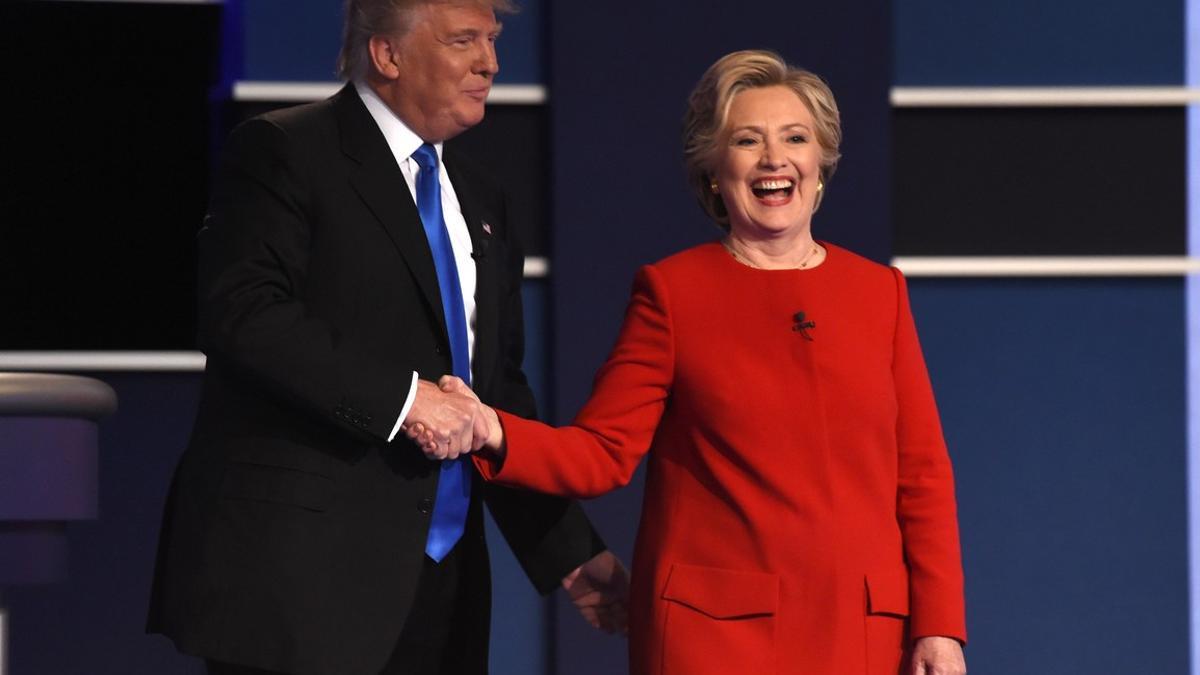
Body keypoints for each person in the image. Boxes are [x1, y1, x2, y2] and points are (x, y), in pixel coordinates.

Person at [420, 49, 968, 675]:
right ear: (714, 171)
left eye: (795, 138)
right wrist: (492, 428)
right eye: (746, 140)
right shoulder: (675, 293)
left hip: (865, 634)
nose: (774, 159)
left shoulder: (880, 294)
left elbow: (922, 475)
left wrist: (940, 627)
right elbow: (602, 451)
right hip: (718, 638)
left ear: (820, 167)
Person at [147, 2, 628, 674]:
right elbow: (243, 314)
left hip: (444, 588)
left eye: (492, 40)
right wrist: (405, 400)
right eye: (464, 41)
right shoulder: (285, 150)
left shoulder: (484, 198)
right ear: (387, 55)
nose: (490, 63)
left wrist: (565, 547)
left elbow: (492, 396)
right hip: (304, 582)